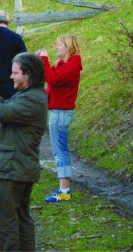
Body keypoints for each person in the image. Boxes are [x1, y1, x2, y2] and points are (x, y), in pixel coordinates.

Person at [0, 52, 47, 251]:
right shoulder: (30, 96)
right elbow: (5, 108)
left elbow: (1, 112)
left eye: (15, 73)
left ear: (28, 75)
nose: (11, 77)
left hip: (12, 168)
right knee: (20, 220)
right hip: (15, 167)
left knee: (3, 223)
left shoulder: (33, 100)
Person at [37, 34, 82, 202]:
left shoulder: (71, 67)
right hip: (59, 111)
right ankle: (64, 189)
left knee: (60, 151)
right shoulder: (68, 65)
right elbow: (50, 79)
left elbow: (52, 79)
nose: (56, 48)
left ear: (68, 47)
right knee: (60, 150)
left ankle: (64, 190)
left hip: (60, 113)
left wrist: (44, 60)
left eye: (59, 45)